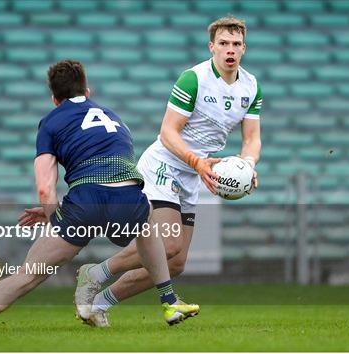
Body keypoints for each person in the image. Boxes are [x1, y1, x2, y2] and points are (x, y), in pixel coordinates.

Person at [0, 60, 198, 335]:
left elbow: (45, 189)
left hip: (84, 203)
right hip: (128, 199)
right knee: (146, 224)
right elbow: (109, 178)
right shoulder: (113, 116)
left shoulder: (50, 122)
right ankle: (169, 301)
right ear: (87, 90)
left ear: (54, 99)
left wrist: (55, 217)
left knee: (28, 274)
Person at [73, 16, 262, 324]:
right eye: (224, 44)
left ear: (244, 48)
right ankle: (94, 273)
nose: (230, 50)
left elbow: (252, 138)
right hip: (164, 164)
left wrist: (248, 164)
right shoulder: (194, 79)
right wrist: (197, 162)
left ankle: (100, 304)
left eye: (236, 44)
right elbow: (168, 132)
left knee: (176, 263)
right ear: (211, 47)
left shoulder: (251, 86)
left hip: (192, 173)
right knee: (169, 244)